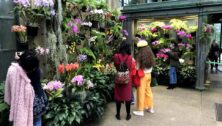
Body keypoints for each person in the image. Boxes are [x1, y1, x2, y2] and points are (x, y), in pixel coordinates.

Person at [4, 50, 47, 126]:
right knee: (37, 120)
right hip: (37, 103)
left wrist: (18, 59)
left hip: (27, 104)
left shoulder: (14, 71)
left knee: (35, 120)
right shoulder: (36, 71)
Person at [113, 40, 136, 120]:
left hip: (118, 78)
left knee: (118, 97)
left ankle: (118, 115)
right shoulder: (130, 58)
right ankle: (128, 115)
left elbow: (115, 65)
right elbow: (129, 68)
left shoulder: (116, 56)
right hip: (127, 79)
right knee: (127, 97)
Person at [133, 40, 155, 116]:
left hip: (142, 76)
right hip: (149, 75)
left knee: (141, 92)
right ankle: (150, 108)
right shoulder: (150, 54)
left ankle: (140, 110)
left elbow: (136, 68)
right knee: (148, 91)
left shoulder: (140, 56)